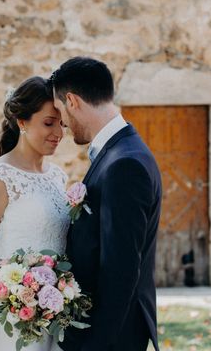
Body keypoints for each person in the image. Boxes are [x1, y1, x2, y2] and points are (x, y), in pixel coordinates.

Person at [49, 56, 162, 351]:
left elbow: (121, 269)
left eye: (60, 111)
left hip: (111, 336)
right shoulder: (120, 151)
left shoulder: (124, 163)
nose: (62, 123)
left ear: (72, 100)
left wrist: (94, 345)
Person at [0, 76, 67, 351]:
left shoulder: (58, 177)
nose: (58, 132)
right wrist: (19, 299)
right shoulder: (0, 178)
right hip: (14, 323)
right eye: (48, 122)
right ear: (22, 122)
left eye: (61, 123)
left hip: (56, 316)